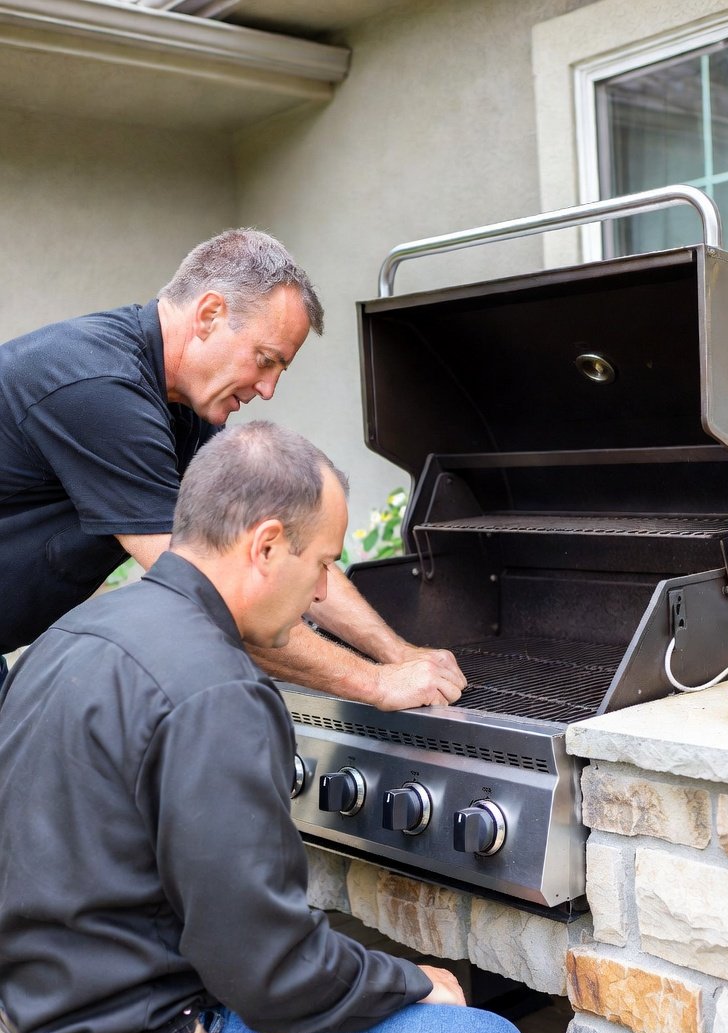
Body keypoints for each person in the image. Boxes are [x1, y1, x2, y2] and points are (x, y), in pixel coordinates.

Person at [0, 421, 530, 1033]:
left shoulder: (70, 637)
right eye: (322, 565)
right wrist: (411, 982)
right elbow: (271, 975)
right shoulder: (216, 690)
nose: (320, 593)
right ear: (267, 544)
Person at [0, 227, 466, 708]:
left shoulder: (181, 406)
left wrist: (399, 655)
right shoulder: (100, 390)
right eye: (265, 361)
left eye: (280, 371)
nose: (267, 390)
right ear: (209, 315)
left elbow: (287, 550)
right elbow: (208, 592)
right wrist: (374, 684)